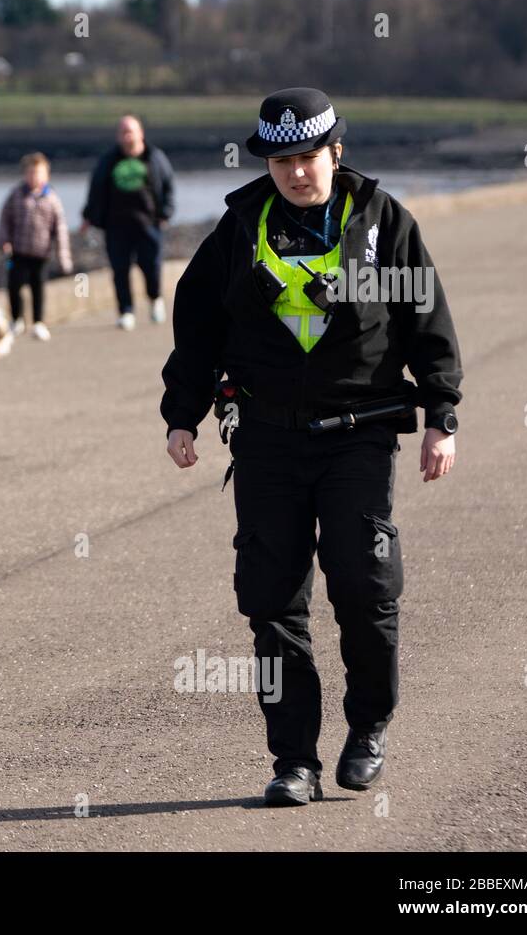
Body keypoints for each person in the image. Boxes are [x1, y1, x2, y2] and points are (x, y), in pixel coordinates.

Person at [160, 88, 462, 807]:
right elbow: (197, 326)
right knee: (271, 600)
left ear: (336, 153)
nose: (297, 172)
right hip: (266, 438)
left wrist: (442, 414)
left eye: (308, 157)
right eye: (282, 159)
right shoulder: (237, 230)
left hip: (358, 433)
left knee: (362, 582)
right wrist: (183, 414)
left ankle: (368, 729)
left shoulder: (385, 224)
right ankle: (294, 759)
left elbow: (428, 319)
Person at [80, 115, 176, 330]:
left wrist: (166, 213)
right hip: (116, 226)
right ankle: (126, 311)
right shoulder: (109, 160)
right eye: (123, 132)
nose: (127, 136)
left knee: (151, 266)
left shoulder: (155, 157)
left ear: (140, 133)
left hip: (148, 224)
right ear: (118, 136)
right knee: (120, 270)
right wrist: (88, 215)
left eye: (130, 131)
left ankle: (155, 299)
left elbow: (168, 184)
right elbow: (96, 189)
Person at [0, 152, 73, 341]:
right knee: (14, 285)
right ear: (24, 175)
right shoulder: (16, 195)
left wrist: (63, 257)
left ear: (46, 175)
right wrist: (3, 241)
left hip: (41, 252)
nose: (34, 177)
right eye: (30, 173)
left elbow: (60, 228)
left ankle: (38, 322)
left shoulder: (52, 198)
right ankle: (17, 320)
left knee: (38, 288)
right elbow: (5, 219)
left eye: (38, 173)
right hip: (18, 251)